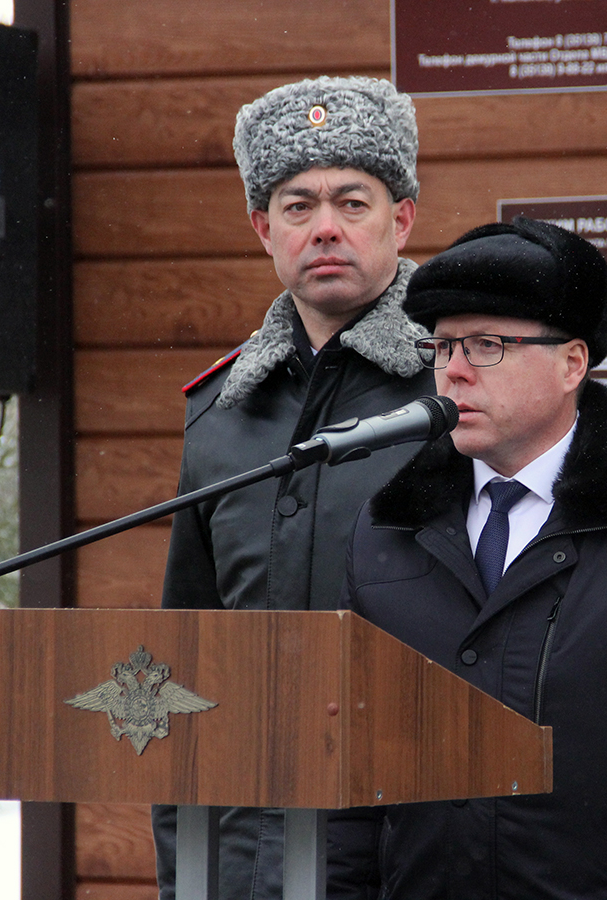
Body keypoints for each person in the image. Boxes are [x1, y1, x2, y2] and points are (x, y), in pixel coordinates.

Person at [329, 217, 607, 899]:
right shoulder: (387, 529)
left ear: (573, 363)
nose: (453, 370)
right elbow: (355, 793)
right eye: (443, 345)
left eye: (486, 345)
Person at [152, 75, 434, 900]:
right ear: (262, 229)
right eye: (299, 205)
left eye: (354, 201)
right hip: (246, 857)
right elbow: (183, 663)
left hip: (407, 842)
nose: (326, 229)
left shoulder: (457, 396)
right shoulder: (219, 414)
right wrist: (184, 873)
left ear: (402, 219)